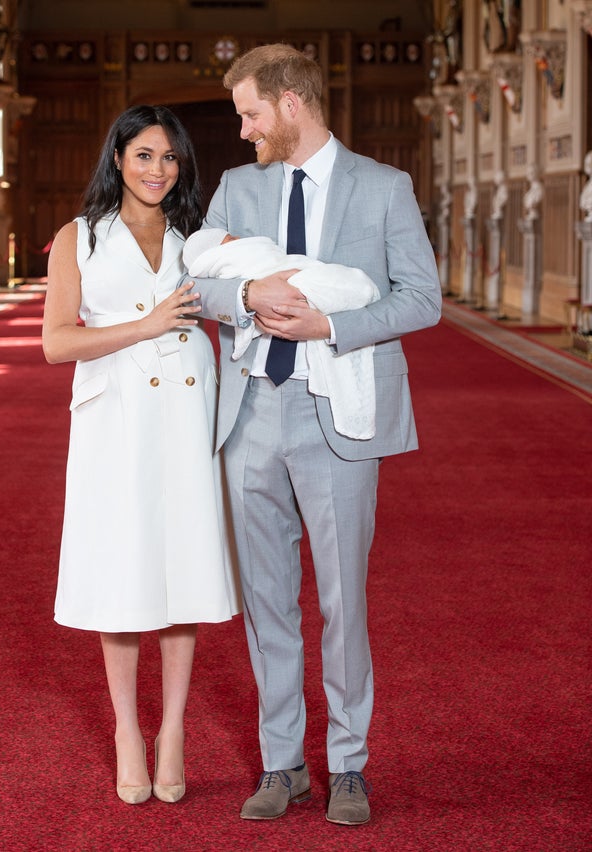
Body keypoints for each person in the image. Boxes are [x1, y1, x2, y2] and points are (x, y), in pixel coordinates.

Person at [185, 44, 441, 826]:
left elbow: (422, 299)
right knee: (267, 601)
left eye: (251, 113)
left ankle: (350, 765)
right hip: (252, 415)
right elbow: (196, 283)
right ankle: (282, 763)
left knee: (342, 601)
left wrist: (330, 321)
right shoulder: (237, 187)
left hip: (339, 415)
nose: (243, 130)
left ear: (291, 103)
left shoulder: (384, 187)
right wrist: (249, 290)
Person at [42, 105, 240, 807]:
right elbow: (58, 343)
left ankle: (175, 731)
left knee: (182, 566)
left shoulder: (199, 238)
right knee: (124, 572)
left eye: (170, 158)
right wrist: (147, 323)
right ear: (118, 159)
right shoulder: (80, 238)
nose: (159, 170)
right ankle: (129, 728)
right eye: (145, 155)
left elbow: (240, 300)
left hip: (187, 412)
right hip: (116, 418)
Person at [183, 228, 380, 439]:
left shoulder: (388, 193)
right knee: (319, 286)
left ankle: (358, 288)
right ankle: (357, 289)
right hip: (250, 395)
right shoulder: (229, 204)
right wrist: (248, 295)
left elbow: (418, 295)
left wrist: (328, 327)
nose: (239, 239)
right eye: (231, 240)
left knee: (331, 282)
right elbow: (189, 288)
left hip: (320, 382)